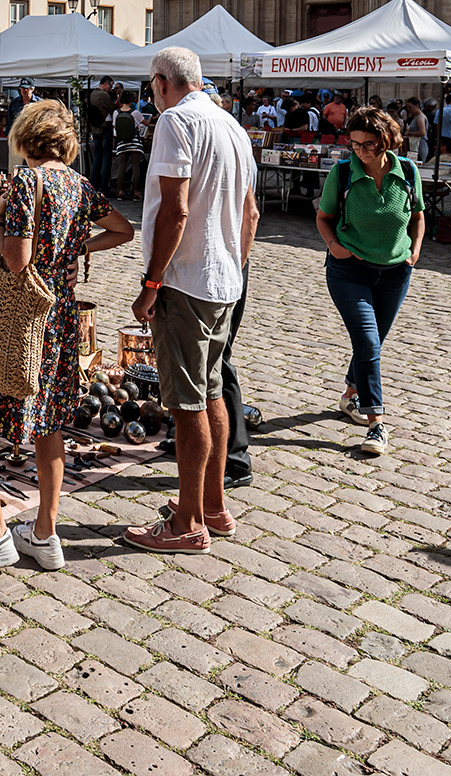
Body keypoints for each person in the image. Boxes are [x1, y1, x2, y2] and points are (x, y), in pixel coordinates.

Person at [0, 100, 134, 574]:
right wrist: (79, 248)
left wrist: (4, 213)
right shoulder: (77, 183)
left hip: (22, 319)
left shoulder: (27, 181)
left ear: (26, 137)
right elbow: (123, 229)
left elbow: (17, 260)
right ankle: (45, 534)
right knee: (48, 423)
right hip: (61, 316)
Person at [122, 46, 258, 555]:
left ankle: (185, 522)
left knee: (186, 403)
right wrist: (234, 266)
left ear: (161, 82)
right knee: (214, 392)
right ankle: (213, 506)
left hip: (185, 280)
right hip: (223, 278)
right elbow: (251, 215)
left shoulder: (176, 123)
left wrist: (152, 283)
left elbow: (175, 212)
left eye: (150, 86)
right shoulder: (232, 126)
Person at [317, 105, 423, 457]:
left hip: (395, 271)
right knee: (367, 340)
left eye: (369, 145)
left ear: (387, 141)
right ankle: (376, 422)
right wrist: (334, 246)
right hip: (349, 270)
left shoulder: (407, 170)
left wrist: (415, 250)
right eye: (356, 144)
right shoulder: (343, 172)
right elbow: (324, 217)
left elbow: (418, 215)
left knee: (372, 343)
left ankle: (350, 394)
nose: (362, 151)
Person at [111, 98, 146, 200]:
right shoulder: (135, 112)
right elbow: (146, 123)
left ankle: (120, 191)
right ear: (131, 101)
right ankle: (136, 192)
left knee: (122, 166)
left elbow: (115, 127)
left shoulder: (116, 113)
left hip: (122, 142)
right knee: (136, 166)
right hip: (134, 143)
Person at [86, 77, 115, 193]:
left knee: (97, 157)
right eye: (110, 86)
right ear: (106, 83)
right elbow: (113, 108)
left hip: (95, 128)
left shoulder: (92, 94)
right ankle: (103, 186)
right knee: (106, 157)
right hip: (104, 126)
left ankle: (94, 183)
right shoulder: (103, 95)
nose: (111, 88)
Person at [3, 80, 38, 167]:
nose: (24, 90)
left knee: (34, 165)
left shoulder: (39, 103)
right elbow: (9, 120)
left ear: (32, 89)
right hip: (17, 137)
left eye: (27, 88)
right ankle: (12, 180)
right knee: (14, 166)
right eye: (22, 88)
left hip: (33, 139)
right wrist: (9, 136)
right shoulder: (14, 103)